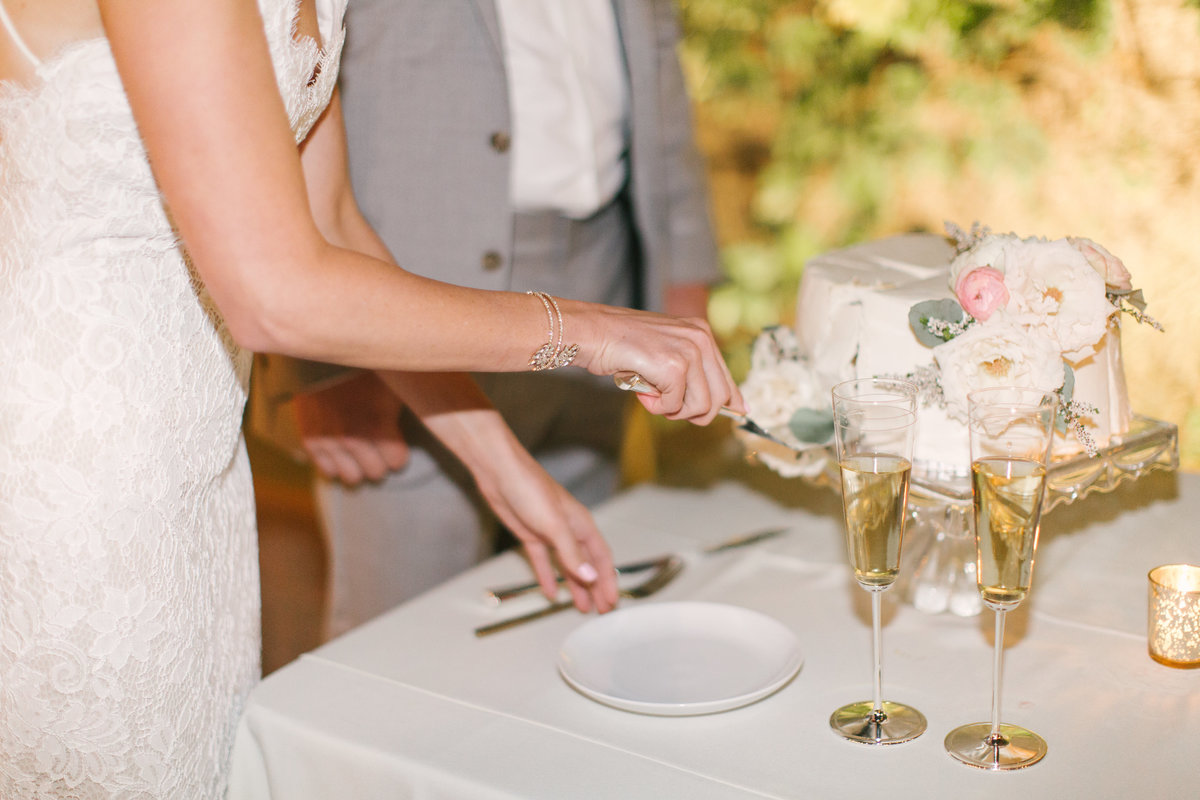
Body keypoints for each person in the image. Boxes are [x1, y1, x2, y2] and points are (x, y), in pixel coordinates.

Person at [0, 0, 742, 795]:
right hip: (69, 469)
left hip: (195, 462)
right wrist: (588, 332)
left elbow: (335, 223)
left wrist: (497, 461)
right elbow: (272, 295)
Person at [251, 0, 723, 639]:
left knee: (585, 614)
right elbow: (289, 152)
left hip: (603, 279)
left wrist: (680, 286)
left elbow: (659, 62)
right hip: (406, 301)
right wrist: (323, 366)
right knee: (406, 644)